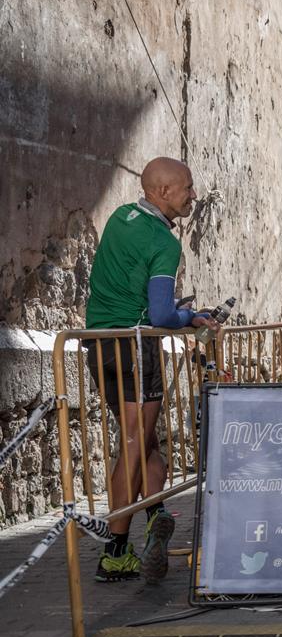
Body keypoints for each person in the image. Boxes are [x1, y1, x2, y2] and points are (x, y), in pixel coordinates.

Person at [83, 157, 219, 582]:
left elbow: (125, 284)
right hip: (136, 347)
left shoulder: (121, 217)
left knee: (148, 446)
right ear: (162, 192)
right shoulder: (164, 241)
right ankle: (115, 553)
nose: (194, 195)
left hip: (97, 344)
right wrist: (192, 317)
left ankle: (156, 514)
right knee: (135, 445)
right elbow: (160, 311)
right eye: (188, 188)